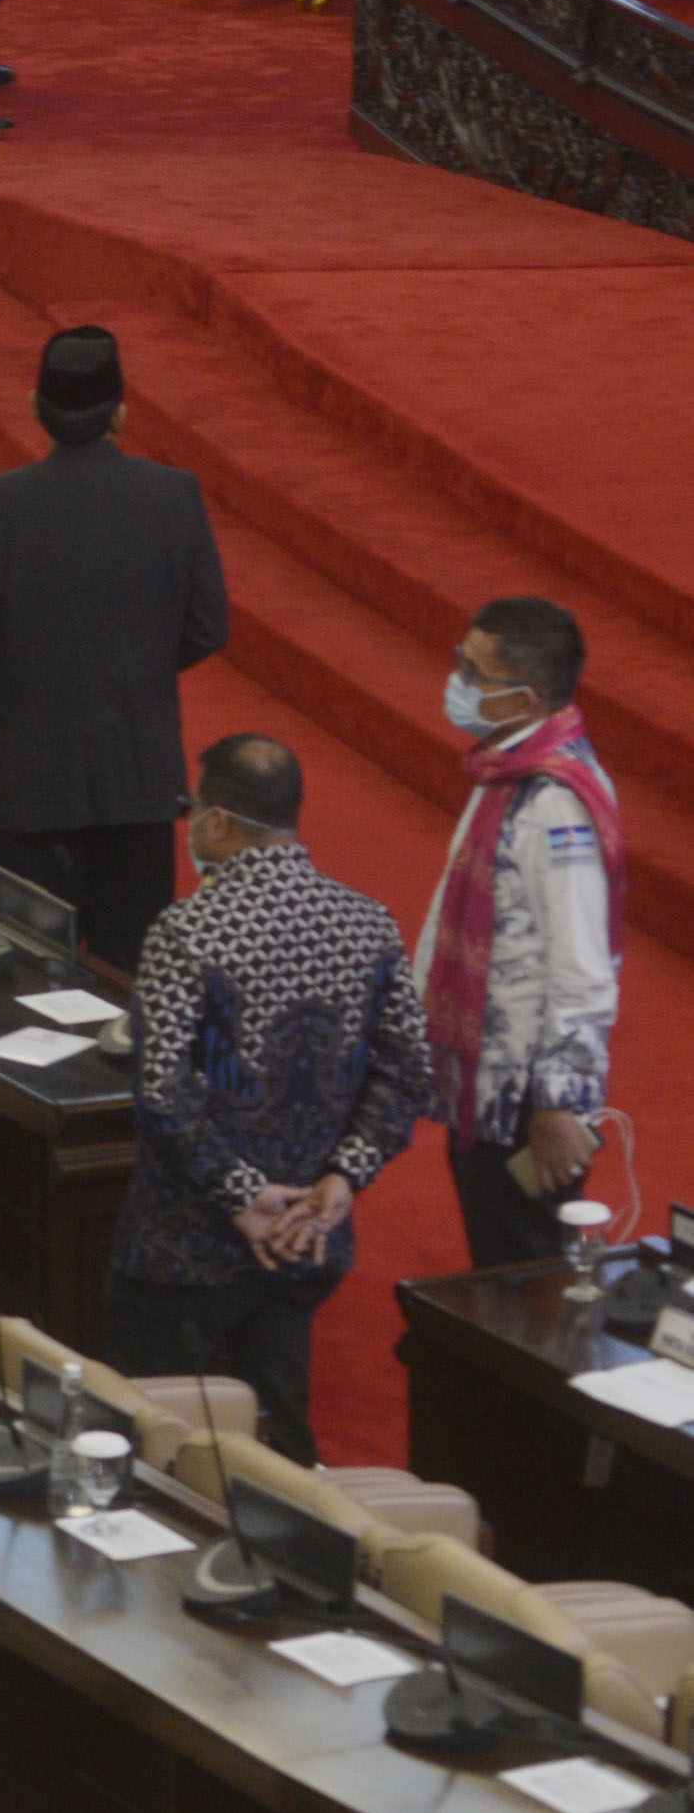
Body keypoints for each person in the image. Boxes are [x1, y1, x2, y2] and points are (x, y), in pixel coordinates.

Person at [106, 737, 424, 1467]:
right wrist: (341, 1180)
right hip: (308, 1236)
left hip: (186, 1246)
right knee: (279, 1439)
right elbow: (406, 1072)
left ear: (216, 821)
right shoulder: (368, 919)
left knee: (152, 1442)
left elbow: (161, 1090)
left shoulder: (187, 930)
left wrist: (246, 1195)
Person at [0, 326, 228, 971]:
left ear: (36, 406)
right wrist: (136, 669)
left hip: (28, 776)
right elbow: (209, 626)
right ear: (121, 410)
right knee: (131, 971)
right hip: (135, 773)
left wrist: (6, 701)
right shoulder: (174, 497)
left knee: (34, 973)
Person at [414, 595, 621, 1266]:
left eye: (473, 673)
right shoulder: (507, 765)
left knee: (527, 1285)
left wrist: (560, 1106)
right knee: (496, 1270)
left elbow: (582, 967)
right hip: (485, 1080)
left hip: (527, 1098)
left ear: (526, 697)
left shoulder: (556, 802)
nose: (458, 684)